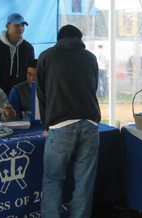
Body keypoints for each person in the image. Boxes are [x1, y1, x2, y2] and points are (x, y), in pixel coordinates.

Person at [36, 25, 101, 218]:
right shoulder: (91, 58)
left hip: (60, 125)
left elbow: (41, 93)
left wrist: (46, 125)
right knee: (84, 181)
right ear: (79, 39)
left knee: (53, 180)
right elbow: (93, 87)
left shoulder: (47, 56)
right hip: (90, 124)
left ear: (59, 39)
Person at [0, 13, 35, 96]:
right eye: (17, 25)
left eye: (22, 25)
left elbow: (30, 72)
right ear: (7, 26)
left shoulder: (28, 48)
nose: (20, 28)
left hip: (20, 94)